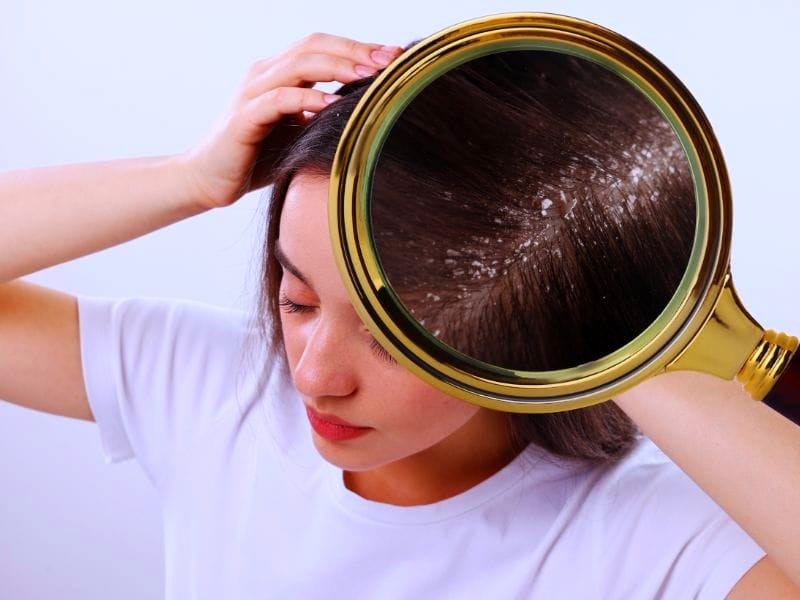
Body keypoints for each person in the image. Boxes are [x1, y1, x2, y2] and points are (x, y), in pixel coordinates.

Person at [0, 32, 798, 599]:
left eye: (393, 339)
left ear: (529, 324)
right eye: (297, 298)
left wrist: (625, 329)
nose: (313, 375)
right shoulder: (212, 392)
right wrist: (189, 178)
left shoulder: (652, 540)